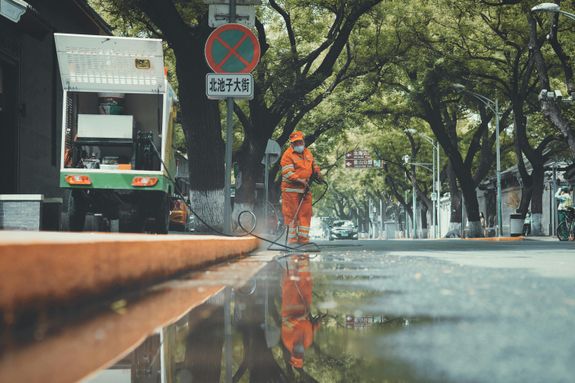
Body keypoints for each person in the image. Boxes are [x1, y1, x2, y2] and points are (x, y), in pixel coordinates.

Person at [280, 131, 322, 245]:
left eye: (300, 141)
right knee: (291, 215)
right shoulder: (287, 155)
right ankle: (292, 240)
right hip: (290, 191)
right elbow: (287, 173)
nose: (299, 144)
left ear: (303, 141)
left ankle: (304, 240)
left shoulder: (308, 152)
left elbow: (313, 165)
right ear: (292, 144)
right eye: (296, 142)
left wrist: (318, 173)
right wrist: (300, 180)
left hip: (305, 189)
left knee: (305, 214)